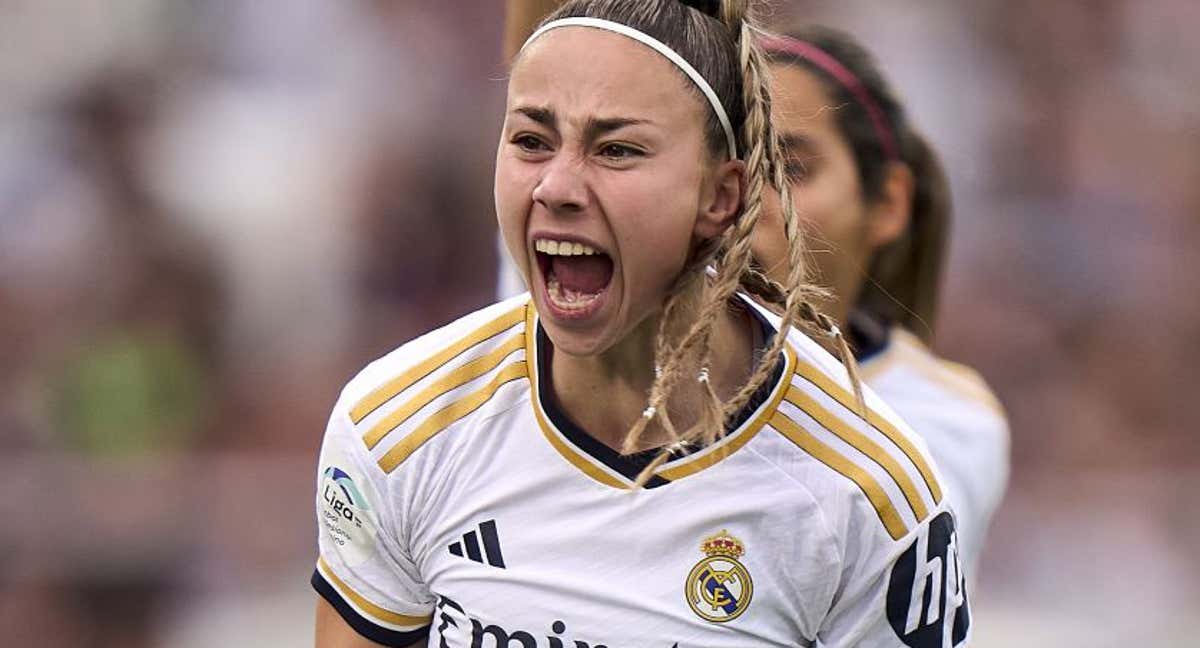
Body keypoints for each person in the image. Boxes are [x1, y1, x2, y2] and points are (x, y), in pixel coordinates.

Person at [314, 1, 968, 646]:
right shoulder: (399, 428)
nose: (556, 187)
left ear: (721, 197)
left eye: (618, 149)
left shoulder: (865, 492)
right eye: (531, 142)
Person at [754, 27, 1010, 578]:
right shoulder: (567, 357)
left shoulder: (940, 417)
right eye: (721, 163)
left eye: (789, 168)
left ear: (889, 201)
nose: (745, 202)